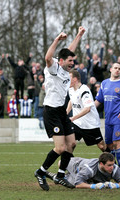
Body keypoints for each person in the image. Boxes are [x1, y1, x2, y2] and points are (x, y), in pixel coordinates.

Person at [34, 26, 85, 191]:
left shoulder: (64, 66)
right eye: (70, 61)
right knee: (61, 147)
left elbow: (68, 51)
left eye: (73, 61)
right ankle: (41, 172)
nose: (72, 64)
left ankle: (60, 176)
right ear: (61, 61)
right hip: (51, 112)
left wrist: (79, 35)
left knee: (72, 144)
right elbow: (48, 56)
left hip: (62, 111)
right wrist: (57, 39)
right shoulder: (53, 67)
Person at [95, 63, 120, 172]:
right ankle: (113, 170)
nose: (117, 70)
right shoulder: (104, 83)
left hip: (119, 118)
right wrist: (89, 109)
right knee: (109, 146)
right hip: (108, 119)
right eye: (115, 68)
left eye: (119, 69)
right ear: (111, 69)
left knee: (117, 144)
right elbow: (98, 100)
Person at [66, 69, 106, 152]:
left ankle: (113, 163)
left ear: (75, 79)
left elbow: (88, 108)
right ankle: (65, 163)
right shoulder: (70, 89)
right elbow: (71, 100)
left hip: (90, 124)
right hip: (77, 124)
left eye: (68, 78)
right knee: (70, 143)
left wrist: (73, 118)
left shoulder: (84, 90)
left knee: (102, 146)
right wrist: (66, 112)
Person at [46, 152, 120, 189]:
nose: (112, 167)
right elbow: (78, 184)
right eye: (109, 165)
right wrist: (93, 186)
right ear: (101, 164)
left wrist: (116, 186)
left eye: (112, 164)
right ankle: (56, 176)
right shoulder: (90, 169)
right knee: (61, 164)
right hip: (77, 165)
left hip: (87, 172)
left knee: (67, 181)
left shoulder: (114, 167)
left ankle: (54, 176)